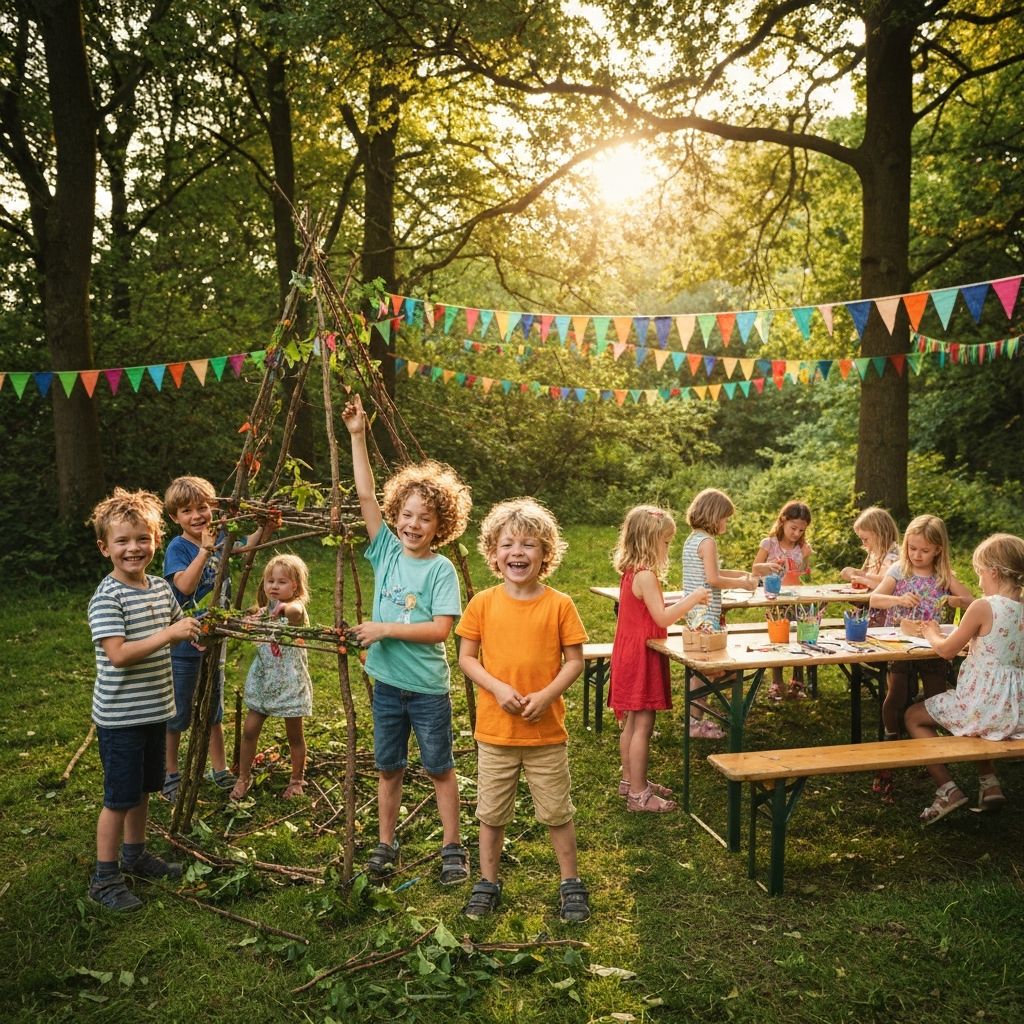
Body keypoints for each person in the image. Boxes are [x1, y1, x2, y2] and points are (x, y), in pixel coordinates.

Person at [342, 394, 472, 886]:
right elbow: (365, 498)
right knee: (388, 767)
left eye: (425, 518)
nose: (413, 524)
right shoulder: (386, 553)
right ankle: (385, 843)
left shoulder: (440, 569)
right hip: (387, 685)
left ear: (441, 527)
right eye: (408, 514)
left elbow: (441, 630)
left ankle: (452, 848)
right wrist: (358, 436)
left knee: (439, 767)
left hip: (427, 691)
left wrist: (385, 628)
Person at [457, 498, 591, 922]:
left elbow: (575, 661)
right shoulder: (482, 603)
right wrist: (497, 688)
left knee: (556, 811)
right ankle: (488, 882)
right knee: (491, 812)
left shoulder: (559, 605)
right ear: (494, 553)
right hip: (496, 732)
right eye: (508, 544)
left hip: (545, 733)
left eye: (529, 544)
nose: (518, 552)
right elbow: (466, 658)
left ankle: (570, 882)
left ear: (545, 554)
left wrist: (547, 695)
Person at [87, 488, 201, 910]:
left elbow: (176, 623)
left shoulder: (158, 587)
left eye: (142, 538)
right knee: (118, 798)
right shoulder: (108, 597)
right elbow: (117, 655)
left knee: (144, 789)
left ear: (156, 539)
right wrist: (170, 635)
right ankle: (104, 877)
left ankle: (135, 855)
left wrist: (191, 632)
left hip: (154, 710)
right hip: (120, 718)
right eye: (123, 541)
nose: (133, 548)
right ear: (105, 548)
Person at [162, 475, 273, 802]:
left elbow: (246, 546)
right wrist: (206, 549)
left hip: (216, 640)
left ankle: (219, 768)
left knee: (213, 708)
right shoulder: (178, 547)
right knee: (178, 712)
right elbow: (183, 586)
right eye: (187, 511)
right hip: (184, 645)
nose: (197, 516)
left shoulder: (223, 534)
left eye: (203, 508)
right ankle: (169, 772)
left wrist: (265, 527)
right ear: (175, 518)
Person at [905, 533, 1024, 824]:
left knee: (913, 716)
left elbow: (945, 650)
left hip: (983, 705)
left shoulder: (984, 606)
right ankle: (989, 783)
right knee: (978, 724)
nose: (979, 581)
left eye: (979, 573)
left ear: (993, 572)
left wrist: (929, 631)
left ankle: (947, 790)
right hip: (1015, 709)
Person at [868, 514, 974, 802]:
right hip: (900, 643)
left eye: (924, 550)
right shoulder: (898, 570)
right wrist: (898, 600)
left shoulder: (943, 576)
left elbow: (974, 601)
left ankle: (932, 749)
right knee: (897, 691)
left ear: (938, 549)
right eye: (912, 548)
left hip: (933, 646)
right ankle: (892, 741)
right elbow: (875, 599)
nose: (917, 555)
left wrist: (956, 600)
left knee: (937, 694)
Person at [609, 505, 709, 811]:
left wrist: (681, 599)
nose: (668, 548)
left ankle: (630, 781)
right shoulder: (647, 575)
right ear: (649, 542)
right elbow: (663, 618)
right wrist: (692, 598)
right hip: (642, 655)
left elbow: (652, 610)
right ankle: (639, 794)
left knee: (631, 723)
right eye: (665, 542)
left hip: (628, 652)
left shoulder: (631, 572)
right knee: (643, 725)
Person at [231, 555, 313, 802]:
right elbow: (250, 623)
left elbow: (296, 612)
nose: (274, 586)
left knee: (294, 735)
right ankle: (243, 776)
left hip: (289, 682)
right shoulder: (264, 611)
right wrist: (248, 621)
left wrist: (285, 609)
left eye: (282, 582)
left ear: (295, 587)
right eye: (270, 581)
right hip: (264, 680)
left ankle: (297, 780)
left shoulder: (295, 609)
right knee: (250, 729)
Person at [682, 488, 757, 739]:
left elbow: (713, 570)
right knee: (709, 670)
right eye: (725, 517)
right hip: (706, 616)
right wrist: (743, 584)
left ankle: (697, 716)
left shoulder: (693, 539)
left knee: (703, 669)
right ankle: (695, 720)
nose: (726, 522)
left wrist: (741, 574)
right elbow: (714, 578)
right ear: (714, 516)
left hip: (694, 613)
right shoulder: (709, 542)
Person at [753, 501, 814, 700]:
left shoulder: (801, 546)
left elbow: (805, 573)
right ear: (783, 521)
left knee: (800, 635)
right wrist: (769, 565)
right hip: (775, 600)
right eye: (793, 528)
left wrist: (805, 557)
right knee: (778, 637)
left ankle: (797, 681)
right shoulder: (769, 543)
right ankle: (776, 681)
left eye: (801, 530)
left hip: (797, 599)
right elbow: (755, 569)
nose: (796, 533)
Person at [840, 506, 900, 626]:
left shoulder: (893, 556)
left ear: (880, 534)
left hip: (884, 615)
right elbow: (862, 575)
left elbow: (883, 583)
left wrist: (861, 578)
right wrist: (852, 573)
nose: (863, 543)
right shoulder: (873, 554)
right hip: (867, 610)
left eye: (866, 539)